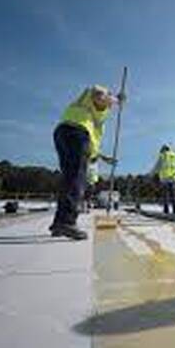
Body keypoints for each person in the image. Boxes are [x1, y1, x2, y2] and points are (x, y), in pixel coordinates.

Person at [50, 85, 122, 240]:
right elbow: (98, 94)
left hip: (64, 133)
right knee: (76, 179)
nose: (109, 105)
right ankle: (67, 222)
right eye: (109, 102)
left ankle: (59, 223)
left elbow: (91, 137)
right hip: (76, 133)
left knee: (69, 178)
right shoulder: (94, 95)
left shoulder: (91, 114)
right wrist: (117, 100)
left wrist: (102, 157)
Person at [150, 144, 175, 214]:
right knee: (173, 195)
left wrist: (150, 174)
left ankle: (166, 210)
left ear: (163, 149)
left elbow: (157, 167)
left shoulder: (163, 156)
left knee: (165, 195)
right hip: (173, 178)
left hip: (165, 178)